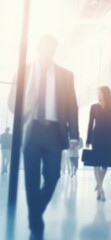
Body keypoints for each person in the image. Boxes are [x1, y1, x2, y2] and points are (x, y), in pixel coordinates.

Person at [8, 34, 79, 239]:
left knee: (53, 175)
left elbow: (72, 107)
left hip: (54, 132)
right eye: (45, 47)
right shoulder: (24, 71)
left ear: (55, 51)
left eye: (52, 48)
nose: (49, 51)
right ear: (38, 48)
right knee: (31, 178)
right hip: (32, 130)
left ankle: (35, 211)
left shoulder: (66, 75)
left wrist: (74, 134)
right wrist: (29, 108)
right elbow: (12, 102)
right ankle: (36, 222)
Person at [85, 86, 111, 201]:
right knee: (96, 163)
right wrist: (88, 140)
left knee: (105, 164)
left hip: (108, 137)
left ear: (105, 94)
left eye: (99, 92)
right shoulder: (94, 107)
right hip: (96, 137)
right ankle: (100, 189)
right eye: (97, 93)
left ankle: (99, 184)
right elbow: (90, 124)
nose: (98, 95)